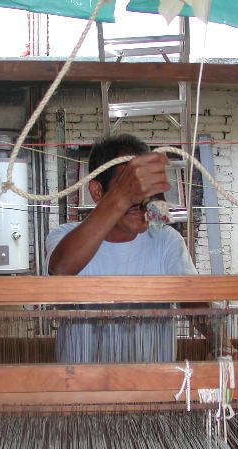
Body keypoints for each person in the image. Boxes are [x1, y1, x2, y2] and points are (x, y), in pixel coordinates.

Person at [45, 134, 198, 363]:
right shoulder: (65, 237)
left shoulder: (166, 241)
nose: (140, 200)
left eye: (144, 189)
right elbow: (61, 268)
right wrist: (121, 197)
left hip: (150, 391)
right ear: (98, 192)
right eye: (129, 188)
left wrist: (223, 345)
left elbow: (195, 301)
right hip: (82, 390)